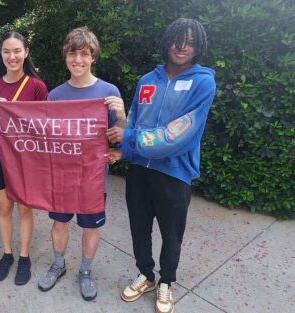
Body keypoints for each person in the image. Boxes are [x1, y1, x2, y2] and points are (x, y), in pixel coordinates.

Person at [105, 18, 216, 313]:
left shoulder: (203, 81)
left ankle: (167, 281)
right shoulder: (147, 80)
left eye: (190, 43)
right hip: (140, 170)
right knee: (139, 228)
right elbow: (136, 120)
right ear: (167, 41)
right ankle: (146, 274)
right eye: (177, 40)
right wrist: (123, 151)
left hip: (174, 173)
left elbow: (179, 134)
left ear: (198, 47)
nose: (182, 47)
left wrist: (129, 136)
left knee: (171, 233)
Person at [37, 27, 126, 301]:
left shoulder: (108, 92)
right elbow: (42, 137)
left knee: (91, 227)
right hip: (61, 177)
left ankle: (85, 272)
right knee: (59, 224)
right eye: (73, 53)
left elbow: (119, 137)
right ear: (65, 56)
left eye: (84, 54)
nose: (78, 60)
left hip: (92, 177)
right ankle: (58, 264)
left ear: (93, 57)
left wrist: (122, 118)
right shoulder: (55, 96)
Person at [0, 31, 48, 285]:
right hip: (0, 153)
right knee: (4, 208)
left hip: (27, 156)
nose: (12, 56)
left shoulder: (37, 86)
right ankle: (7, 254)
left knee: (25, 208)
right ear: (1, 54)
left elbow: (44, 125)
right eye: (7, 51)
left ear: (26, 53)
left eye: (17, 51)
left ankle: (24, 257)